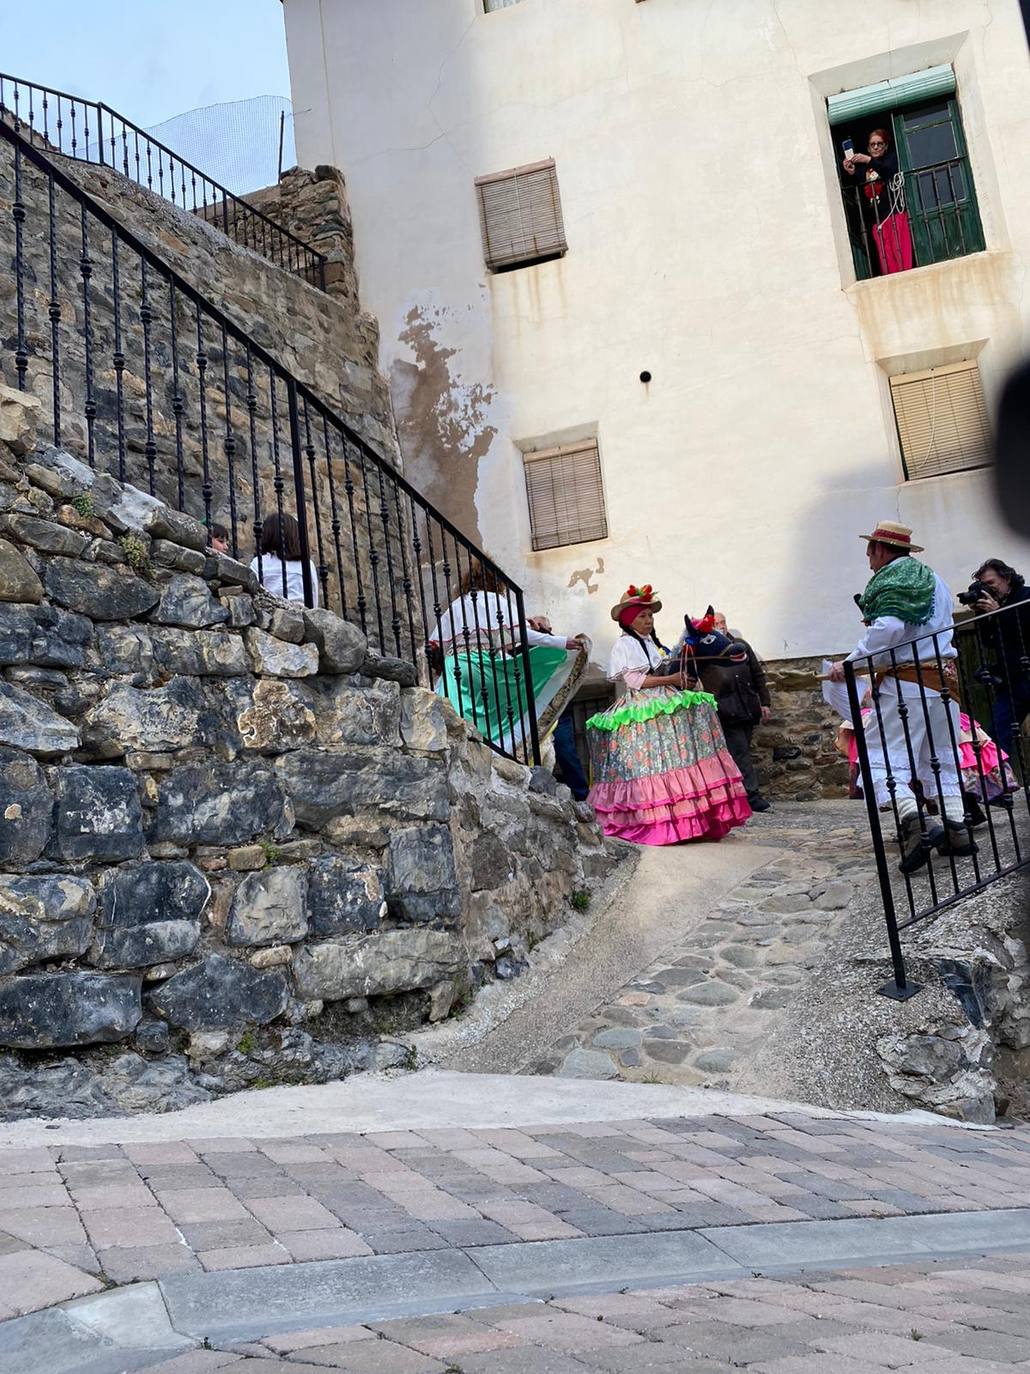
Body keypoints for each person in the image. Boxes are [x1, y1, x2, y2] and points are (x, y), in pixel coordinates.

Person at [828, 521, 973, 873]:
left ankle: (916, 821)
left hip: (907, 681)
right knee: (940, 756)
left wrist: (851, 663)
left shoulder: (895, 578)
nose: (867, 558)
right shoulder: (935, 580)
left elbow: (890, 629)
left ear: (880, 549)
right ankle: (957, 829)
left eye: (869, 550)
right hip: (945, 680)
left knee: (880, 755)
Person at [586, 585, 750, 845]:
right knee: (655, 764)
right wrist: (671, 678)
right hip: (644, 707)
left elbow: (662, 666)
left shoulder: (651, 642)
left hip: (663, 699)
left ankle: (690, 819)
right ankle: (656, 821)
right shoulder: (625, 644)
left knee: (678, 756)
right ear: (629, 620)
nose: (648, 620)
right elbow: (634, 680)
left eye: (650, 616)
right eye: (642, 616)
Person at [433, 566, 587, 756]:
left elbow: (434, 645)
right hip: (482, 662)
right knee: (506, 702)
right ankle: (493, 751)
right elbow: (518, 633)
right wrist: (561, 642)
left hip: (454, 665)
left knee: (462, 714)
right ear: (495, 582)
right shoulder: (496, 600)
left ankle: (464, 752)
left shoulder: (456, 605)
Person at [706, 610, 772, 812]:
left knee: (742, 750)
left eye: (723, 622)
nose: (721, 626)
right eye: (717, 623)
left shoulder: (741, 646)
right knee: (740, 751)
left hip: (747, 707)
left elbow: (757, 674)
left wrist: (765, 702)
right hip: (727, 710)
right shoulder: (708, 650)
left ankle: (739, 794)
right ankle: (751, 796)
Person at [971, 558, 1030, 767]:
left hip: (1027, 673)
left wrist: (999, 613)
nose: (988, 589)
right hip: (1011, 680)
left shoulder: (1026, 597)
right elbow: (988, 642)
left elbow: (1023, 631)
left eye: (991, 583)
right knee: (997, 730)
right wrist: (985, 616)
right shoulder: (992, 606)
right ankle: (1002, 787)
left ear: (1006, 578)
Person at [843, 128, 913, 276]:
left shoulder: (891, 158)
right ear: (868, 147)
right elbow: (859, 186)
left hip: (893, 214)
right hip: (877, 220)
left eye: (879, 144)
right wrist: (851, 172)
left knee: (900, 253)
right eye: (872, 144)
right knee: (886, 257)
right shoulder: (865, 168)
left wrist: (869, 160)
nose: (875, 147)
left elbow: (888, 171)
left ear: (886, 146)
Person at [249, 512, 319, 608]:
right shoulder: (306, 564)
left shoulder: (259, 562)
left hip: (270, 615)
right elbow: (313, 597)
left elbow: (254, 593)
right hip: (302, 615)